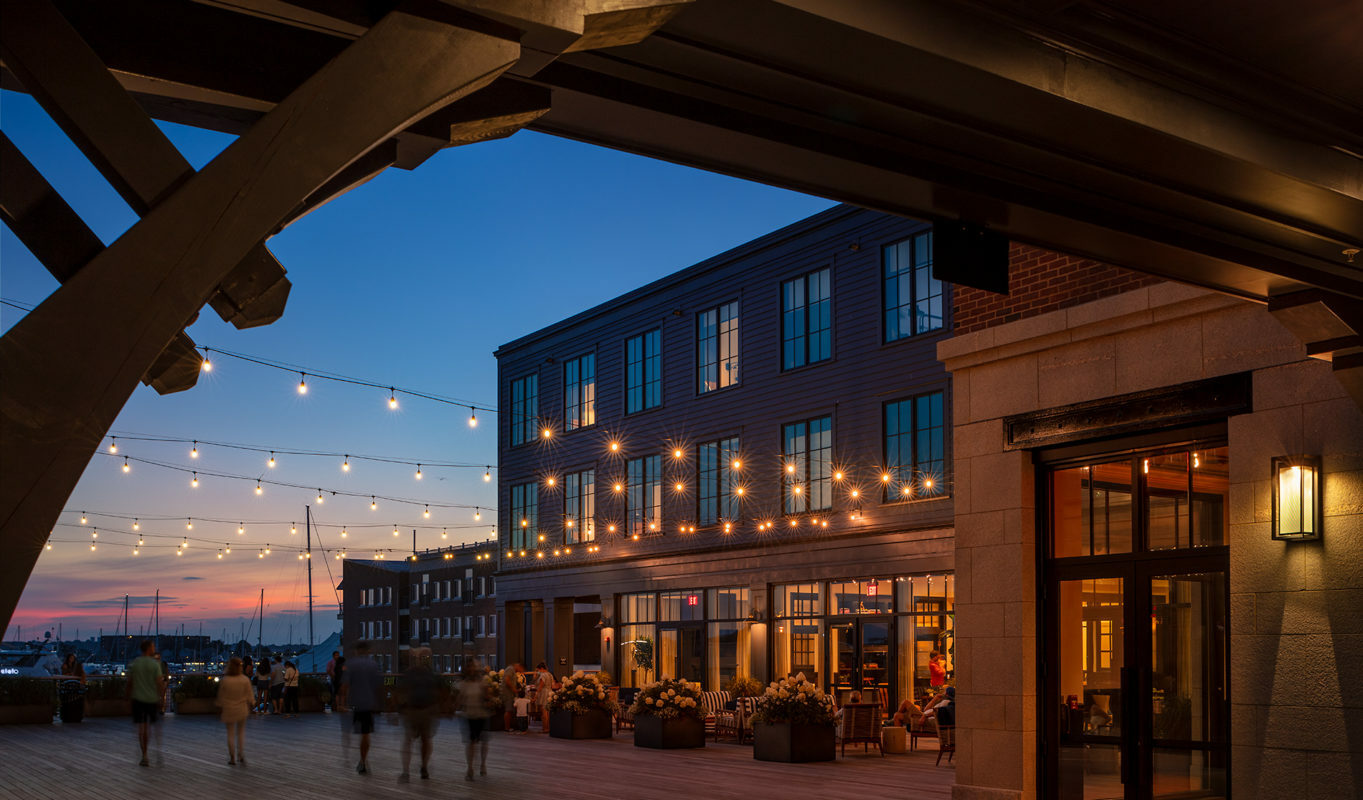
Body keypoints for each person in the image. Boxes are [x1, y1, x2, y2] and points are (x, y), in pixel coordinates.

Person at [398, 647, 439, 782]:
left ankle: (408, 770)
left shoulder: (411, 673)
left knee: (411, 740)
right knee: (424, 740)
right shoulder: (429, 674)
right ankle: (422, 767)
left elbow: (402, 690)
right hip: (421, 709)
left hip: (415, 710)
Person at [344, 640, 382, 774]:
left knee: (350, 731)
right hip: (368, 702)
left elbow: (345, 685)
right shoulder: (373, 665)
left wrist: (342, 703)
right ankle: (363, 760)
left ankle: (354, 758)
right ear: (367, 651)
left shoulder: (350, 664)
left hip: (354, 702)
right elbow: (378, 685)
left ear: (356, 650)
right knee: (365, 734)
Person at [126, 640, 165, 766]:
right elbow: (159, 682)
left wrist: (127, 696)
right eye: (153, 646)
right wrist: (161, 698)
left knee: (141, 728)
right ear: (149, 648)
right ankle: (156, 752)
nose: (154, 648)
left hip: (138, 699)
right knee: (151, 726)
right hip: (151, 699)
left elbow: (130, 682)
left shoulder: (135, 663)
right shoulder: (154, 665)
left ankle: (144, 755)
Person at [457, 661, 491, 780]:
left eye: (474, 668)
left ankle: (482, 764)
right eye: (470, 668)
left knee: (483, 741)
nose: (472, 670)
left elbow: (488, 696)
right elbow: (459, 700)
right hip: (469, 715)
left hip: (481, 714)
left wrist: (487, 698)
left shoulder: (482, 682)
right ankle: (470, 768)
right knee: (471, 742)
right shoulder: (463, 684)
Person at [216, 657, 253, 765]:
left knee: (230, 734)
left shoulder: (226, 680)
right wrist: (251, 704)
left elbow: (221, 697)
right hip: (242, 708)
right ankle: (240, 754)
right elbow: (250, 696)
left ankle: (232, 757)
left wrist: (219, 707)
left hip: (229, 709)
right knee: (240, 733)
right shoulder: (244, 680)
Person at [533, 662, 554, 732]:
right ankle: (548, 728)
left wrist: (536, 694)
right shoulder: (550, 674)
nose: (538, 672)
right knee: (548, 712)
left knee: (544, 712)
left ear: (541, 669)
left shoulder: (543, 675)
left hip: (544, 693)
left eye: (538, 670)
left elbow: (541, 686)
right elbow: (552, 685)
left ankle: (545, 728)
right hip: (550, 692)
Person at [501, 662, 522, 730]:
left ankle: (510, 726)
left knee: (510, 710)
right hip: (508, 693)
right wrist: (514, 689)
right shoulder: (510, 669)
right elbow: (507, 680)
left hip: (511, 693)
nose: (520, 671)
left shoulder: (513, 671)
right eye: (520, 669)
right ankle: (507, 728)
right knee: (508, 710)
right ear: (518, 666)